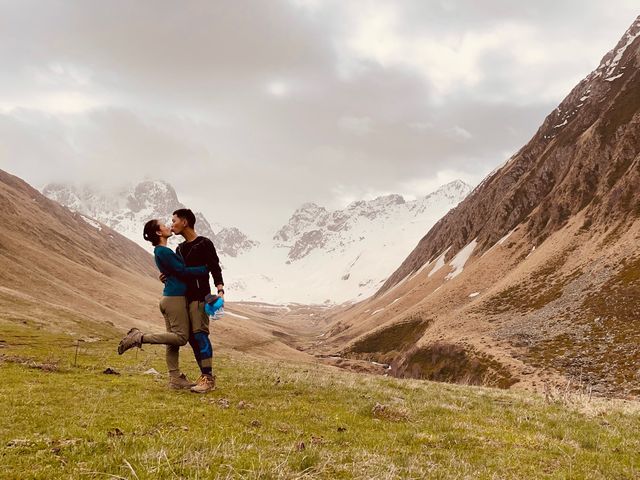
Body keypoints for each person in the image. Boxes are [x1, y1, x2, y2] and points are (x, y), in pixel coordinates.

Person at [117, 219, 209, 391]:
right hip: (174, 299)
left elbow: (175, 272)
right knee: (181, 338)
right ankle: (139, 338)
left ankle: (175, 379)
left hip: (169, 297)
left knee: (172, 342)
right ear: (159, 233)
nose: (168, 226)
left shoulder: (163, 251)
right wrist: (203, 270)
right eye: (164, 225)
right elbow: (182, 271)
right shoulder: (162, 251)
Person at [166, 208, 224, 394]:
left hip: (200, 297)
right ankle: (205, 377)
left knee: (200, 335)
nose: (171, 224)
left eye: (174, 220)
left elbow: (215, 267)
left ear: (184, 221)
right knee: (191, 339)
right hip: (184, 298)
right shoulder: (180, 249)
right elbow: (179, 272)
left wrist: (220, 289)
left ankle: (208, 378)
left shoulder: (204, 243)